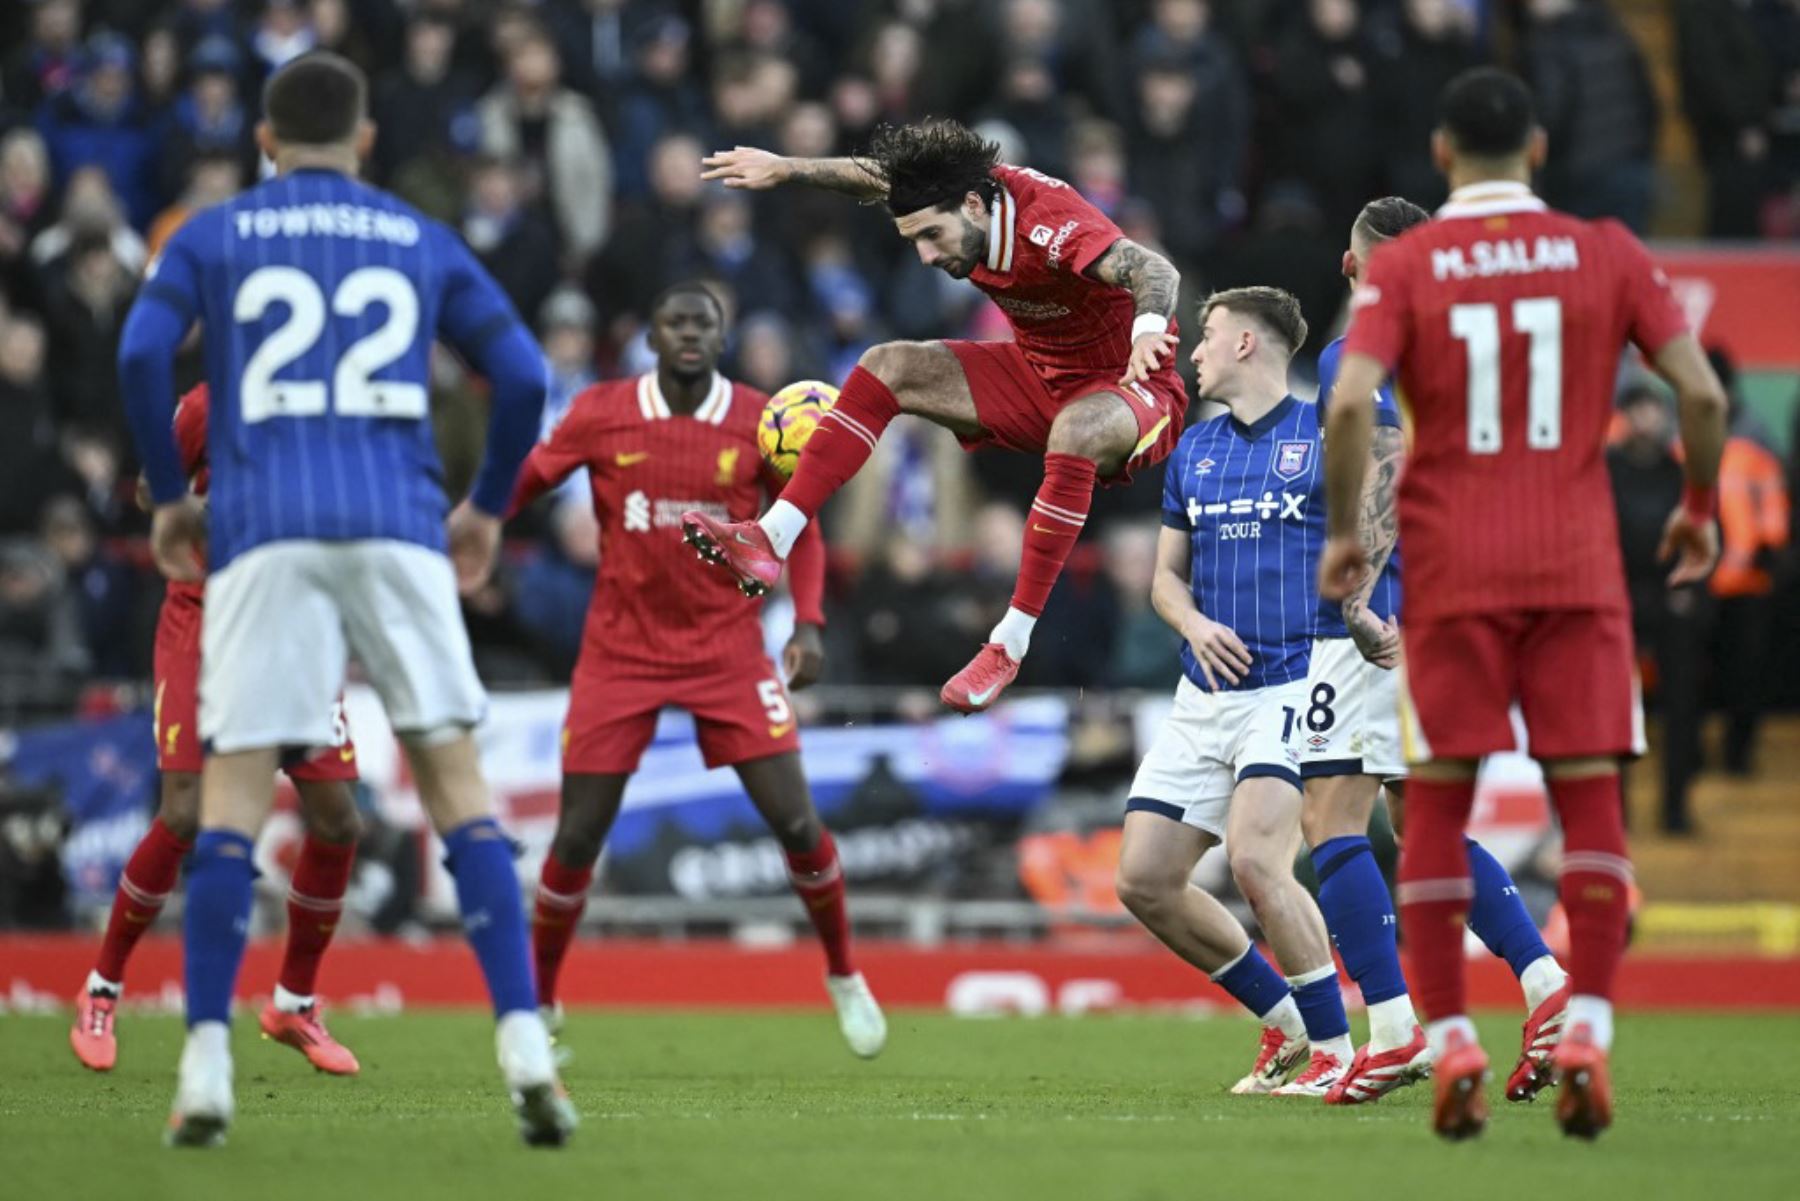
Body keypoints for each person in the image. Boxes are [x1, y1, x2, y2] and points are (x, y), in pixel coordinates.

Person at [117, 52, 574, 1148]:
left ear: (265, 143)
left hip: (263, 528)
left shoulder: (216, 233)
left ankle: (209, 1062)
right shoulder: (419, 236)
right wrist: (489, 509)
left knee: (228, 799)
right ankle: (522, 1043)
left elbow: (140, 349)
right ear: (366, 141)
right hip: (400, 525)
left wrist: (173, 498)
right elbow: (518, 378)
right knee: (457, 787)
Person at [1319, 67, 1727, 1141]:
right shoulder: (1608, 252)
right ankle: (1584, 1021)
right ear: (1540, 149)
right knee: (1589, 802)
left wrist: (1341, 540)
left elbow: (1355, 400)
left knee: (1432, 810)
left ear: (1445, 157)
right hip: (1577, 565)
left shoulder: (1410, 269)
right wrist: (1695, 506)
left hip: (1455, 573)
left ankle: (1450, 1039)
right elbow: (1702, 392)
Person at [686, 119, 1186, 714]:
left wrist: (1148, 333)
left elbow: (1156, 271)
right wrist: (788, 167)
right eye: (911, 239)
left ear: (974, 205)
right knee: (888, 364)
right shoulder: (959, 194)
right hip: (1041, 373)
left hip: (1132, 385)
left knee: (1075, 429)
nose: (924, 255)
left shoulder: (1048, 223)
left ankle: (1007, 643)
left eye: (930, 235)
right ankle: (771, 537)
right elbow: (878, 177)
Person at [507, 283, 886, 1057]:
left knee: (796, 822)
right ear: (650, 333)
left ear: (722, 335)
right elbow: (528, 482)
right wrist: (471, 515)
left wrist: (809, 621)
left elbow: (799, 526)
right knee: (578, 835)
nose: (687, 333)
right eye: (674, 320)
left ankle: (845, 972)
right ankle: (539, 1003)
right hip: (621, 652)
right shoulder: (601, 412)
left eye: (702, 323)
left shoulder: (761, 420)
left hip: (727, 651)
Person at [1301, 197, 1571, 1106]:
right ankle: (1544, 983)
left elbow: (1376, 468)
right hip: (1475, 608)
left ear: (1357, 267)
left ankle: (1391, 1029)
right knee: (1425, 823)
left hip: (1395, 621)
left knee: (1331, 818)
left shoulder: (1361, 354)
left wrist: (1363, 602)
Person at [70, 386, 363, 1078]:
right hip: (206, 619)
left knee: (338, 820)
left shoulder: (339, 396)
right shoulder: (208, 404)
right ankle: (102, 987)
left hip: (296, 626)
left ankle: (293, 1002)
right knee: (184, 812)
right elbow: (149, 493)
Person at [1116, 286, 1355, 1099]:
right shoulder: (1195, 451)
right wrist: (1191, 626)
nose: (1194, 351)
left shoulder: (1324, 437)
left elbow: (1379, 543)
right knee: (1143, 880)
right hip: (1204, 691)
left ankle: (1337, 1045)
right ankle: (1286, 1020)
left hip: (1292, 683)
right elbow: (1164, 582)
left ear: (1248, 345)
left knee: (1257, 858)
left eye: (1207, 335)